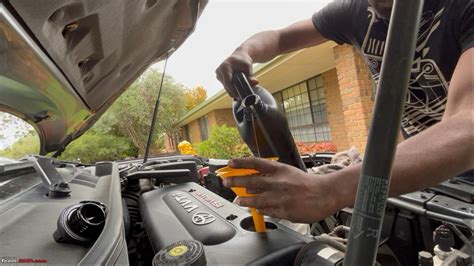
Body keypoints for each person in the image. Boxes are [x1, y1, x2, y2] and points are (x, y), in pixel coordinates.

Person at [214, 0, 473, 223]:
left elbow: (467, 125)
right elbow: (281, 38)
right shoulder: (356, 11)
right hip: (427, 172)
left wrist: (332, 189)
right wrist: (245, 51)